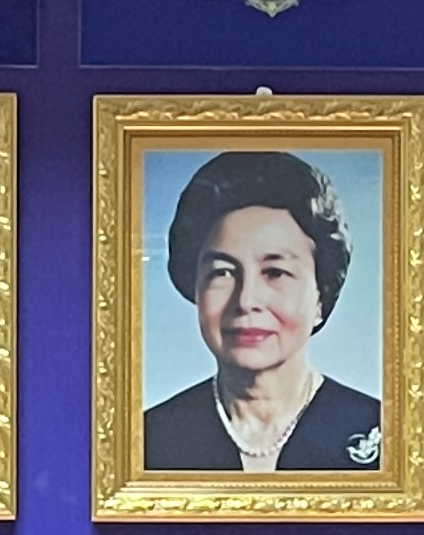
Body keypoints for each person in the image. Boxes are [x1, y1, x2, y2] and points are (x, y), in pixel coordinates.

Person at [138, 150, 384, 473]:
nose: (246, 300)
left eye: (275, 272)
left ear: (320, 297)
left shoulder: (384, 433)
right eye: (223, 272)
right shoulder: (146, 440)